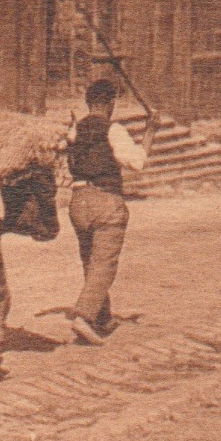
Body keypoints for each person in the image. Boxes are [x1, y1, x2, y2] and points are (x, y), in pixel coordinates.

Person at [61, 79, 154, 345]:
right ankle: (84, 317)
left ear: (89, 103)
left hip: (77, 202)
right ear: (110, 103)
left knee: (90, 261)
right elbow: (136, 162)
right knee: (104, 263)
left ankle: (102, 318)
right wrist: (150, 132)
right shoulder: (113, 130)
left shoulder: (74, 130)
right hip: (105, 200)